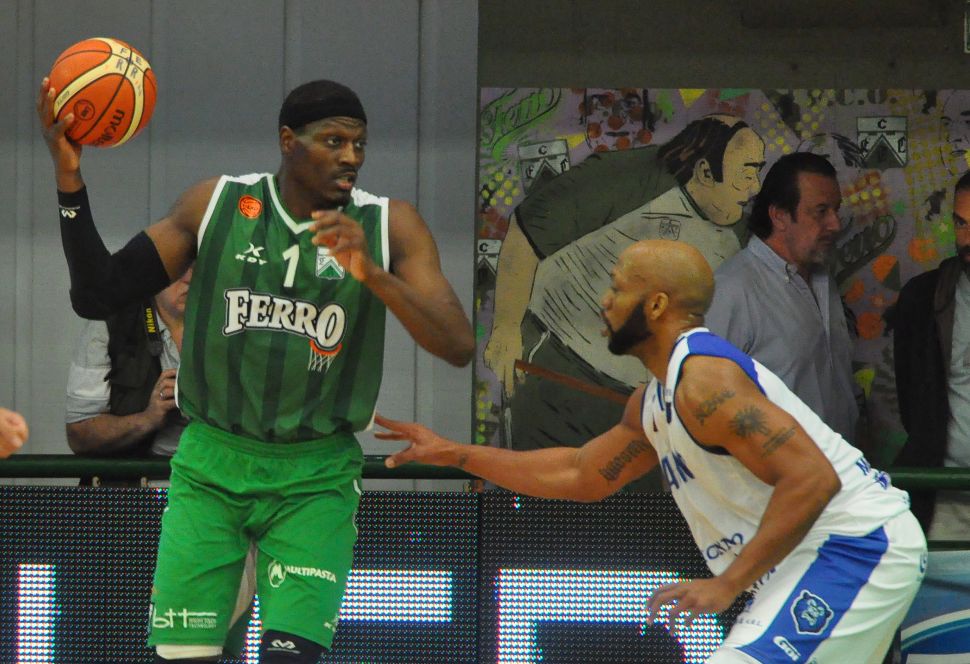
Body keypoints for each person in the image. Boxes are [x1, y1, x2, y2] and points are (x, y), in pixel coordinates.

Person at [38, 78, 474, 663]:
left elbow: (458, 345)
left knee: (289, 656)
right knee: (183, 656)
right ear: (288, 141)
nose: (351, 157)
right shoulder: (215, 204)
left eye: (360, 144)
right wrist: (69, 178)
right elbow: (96, 294)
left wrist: (373, 273)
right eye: (334, 141)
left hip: (314, 473)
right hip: (212, 464)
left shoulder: (390, 224)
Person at [378, 240, 925, 663]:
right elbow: (582, 473)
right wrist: (457, 454)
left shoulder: (704, 383)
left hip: (856, 547)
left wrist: (726, 584)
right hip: (809, 562)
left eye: (617, 289)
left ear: (657, 304)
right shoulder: (655, 400)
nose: (605, 301)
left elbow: (814, 478)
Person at [486, 116, 765, 459]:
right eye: (746, 174)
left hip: (647, 404)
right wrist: (506, 326)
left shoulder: (740, 230)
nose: (754, 187)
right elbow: (527, 228)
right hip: (560, 374)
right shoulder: (626, 177)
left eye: (758, 172)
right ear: (706, 172)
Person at [704, 152, 860, 445]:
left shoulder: (822, 280)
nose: (835, 224)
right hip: (774, 472)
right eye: (821, 211)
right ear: (779, 215)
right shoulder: (731, 290)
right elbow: (702, 404)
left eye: (836, 210)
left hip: (837, 467)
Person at [894, 170, 970, 538]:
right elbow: (911, 404)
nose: (967, 238)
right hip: (945, 497)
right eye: (961, 223)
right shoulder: (924, 299)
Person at [66, 265, 192, 463]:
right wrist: (148, 419)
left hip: (215, 475)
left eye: (200, 266)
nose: (190, 278)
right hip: (138, 478)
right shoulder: (113, 323)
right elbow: (79, 435)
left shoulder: (234, 321)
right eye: (181, 266)